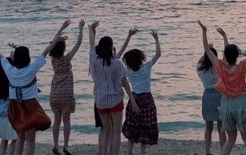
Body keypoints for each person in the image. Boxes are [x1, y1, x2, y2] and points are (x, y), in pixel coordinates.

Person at [0, 19, 71, 155]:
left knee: (20, 138)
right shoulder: (31, 70)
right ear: (28, 58)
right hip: (30, 107)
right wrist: (61, 28)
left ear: (15, 59)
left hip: (14, 107)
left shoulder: (10, 70)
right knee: (30, 141)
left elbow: (1, 58)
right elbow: (48, 49)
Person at [197, 19, 246, 155]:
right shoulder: (242, 66)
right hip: (240, 105)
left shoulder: (220, 66)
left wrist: (204, 31)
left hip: (226, 106)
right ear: (237, 56)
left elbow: (207, 50)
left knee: (230, 140)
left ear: (225, 55)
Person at [88, 20, 139, 155]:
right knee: (116, 132)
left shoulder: (93, 61)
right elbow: (124, 82)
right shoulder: (117, 64)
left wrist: (91, 30)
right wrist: (132, 100)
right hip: (116, 100)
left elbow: (91, 45)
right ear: (111, 48)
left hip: (100, 101)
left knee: (106, 130)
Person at [121, 29, 161, 154]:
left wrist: (128, 36)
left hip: (134, 98)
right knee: (146, 125)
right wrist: (156, 39)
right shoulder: (146, 67)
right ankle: (142, 152)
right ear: (140, 59)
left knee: (132, 124)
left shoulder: (127, 70)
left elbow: (117, 59)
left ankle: (129, 150)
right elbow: (158, 54)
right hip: (147, 99)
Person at [48, 19, 84, 155]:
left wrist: (61, 30)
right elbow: (79, 43)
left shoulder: (53, 60)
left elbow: (51, 45)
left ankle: (56, 145)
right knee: (66, 120)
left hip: (55, 93)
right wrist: (80, 28)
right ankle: (66, 146)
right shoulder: (67, 59)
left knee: (56, 120)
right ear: (63, 49)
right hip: (67, 94)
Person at [196, 42, 226, 155]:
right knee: (221, 128)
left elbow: (199, 62)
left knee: (208, 127)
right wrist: (210, 50)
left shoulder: (200, 68)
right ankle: (223, 151)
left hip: (207, 97)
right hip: (219, 96)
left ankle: (207, 152)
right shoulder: (219, 67)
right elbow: (224, 59)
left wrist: (206, 50)